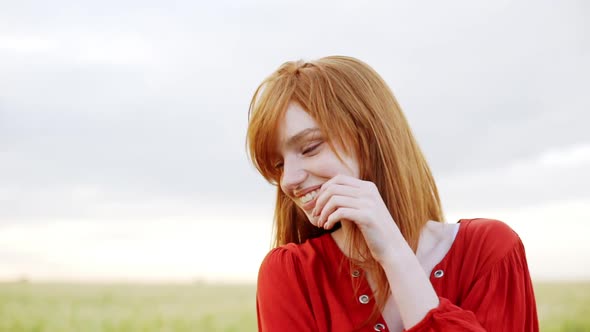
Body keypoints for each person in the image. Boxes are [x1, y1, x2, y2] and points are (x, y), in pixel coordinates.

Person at [246, 56, 539, 332]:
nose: (288, 180)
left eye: (310, 147)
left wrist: (393, 252)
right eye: (278, 164)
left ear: (371, 137)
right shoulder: (290, 274)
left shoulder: (490, 251)